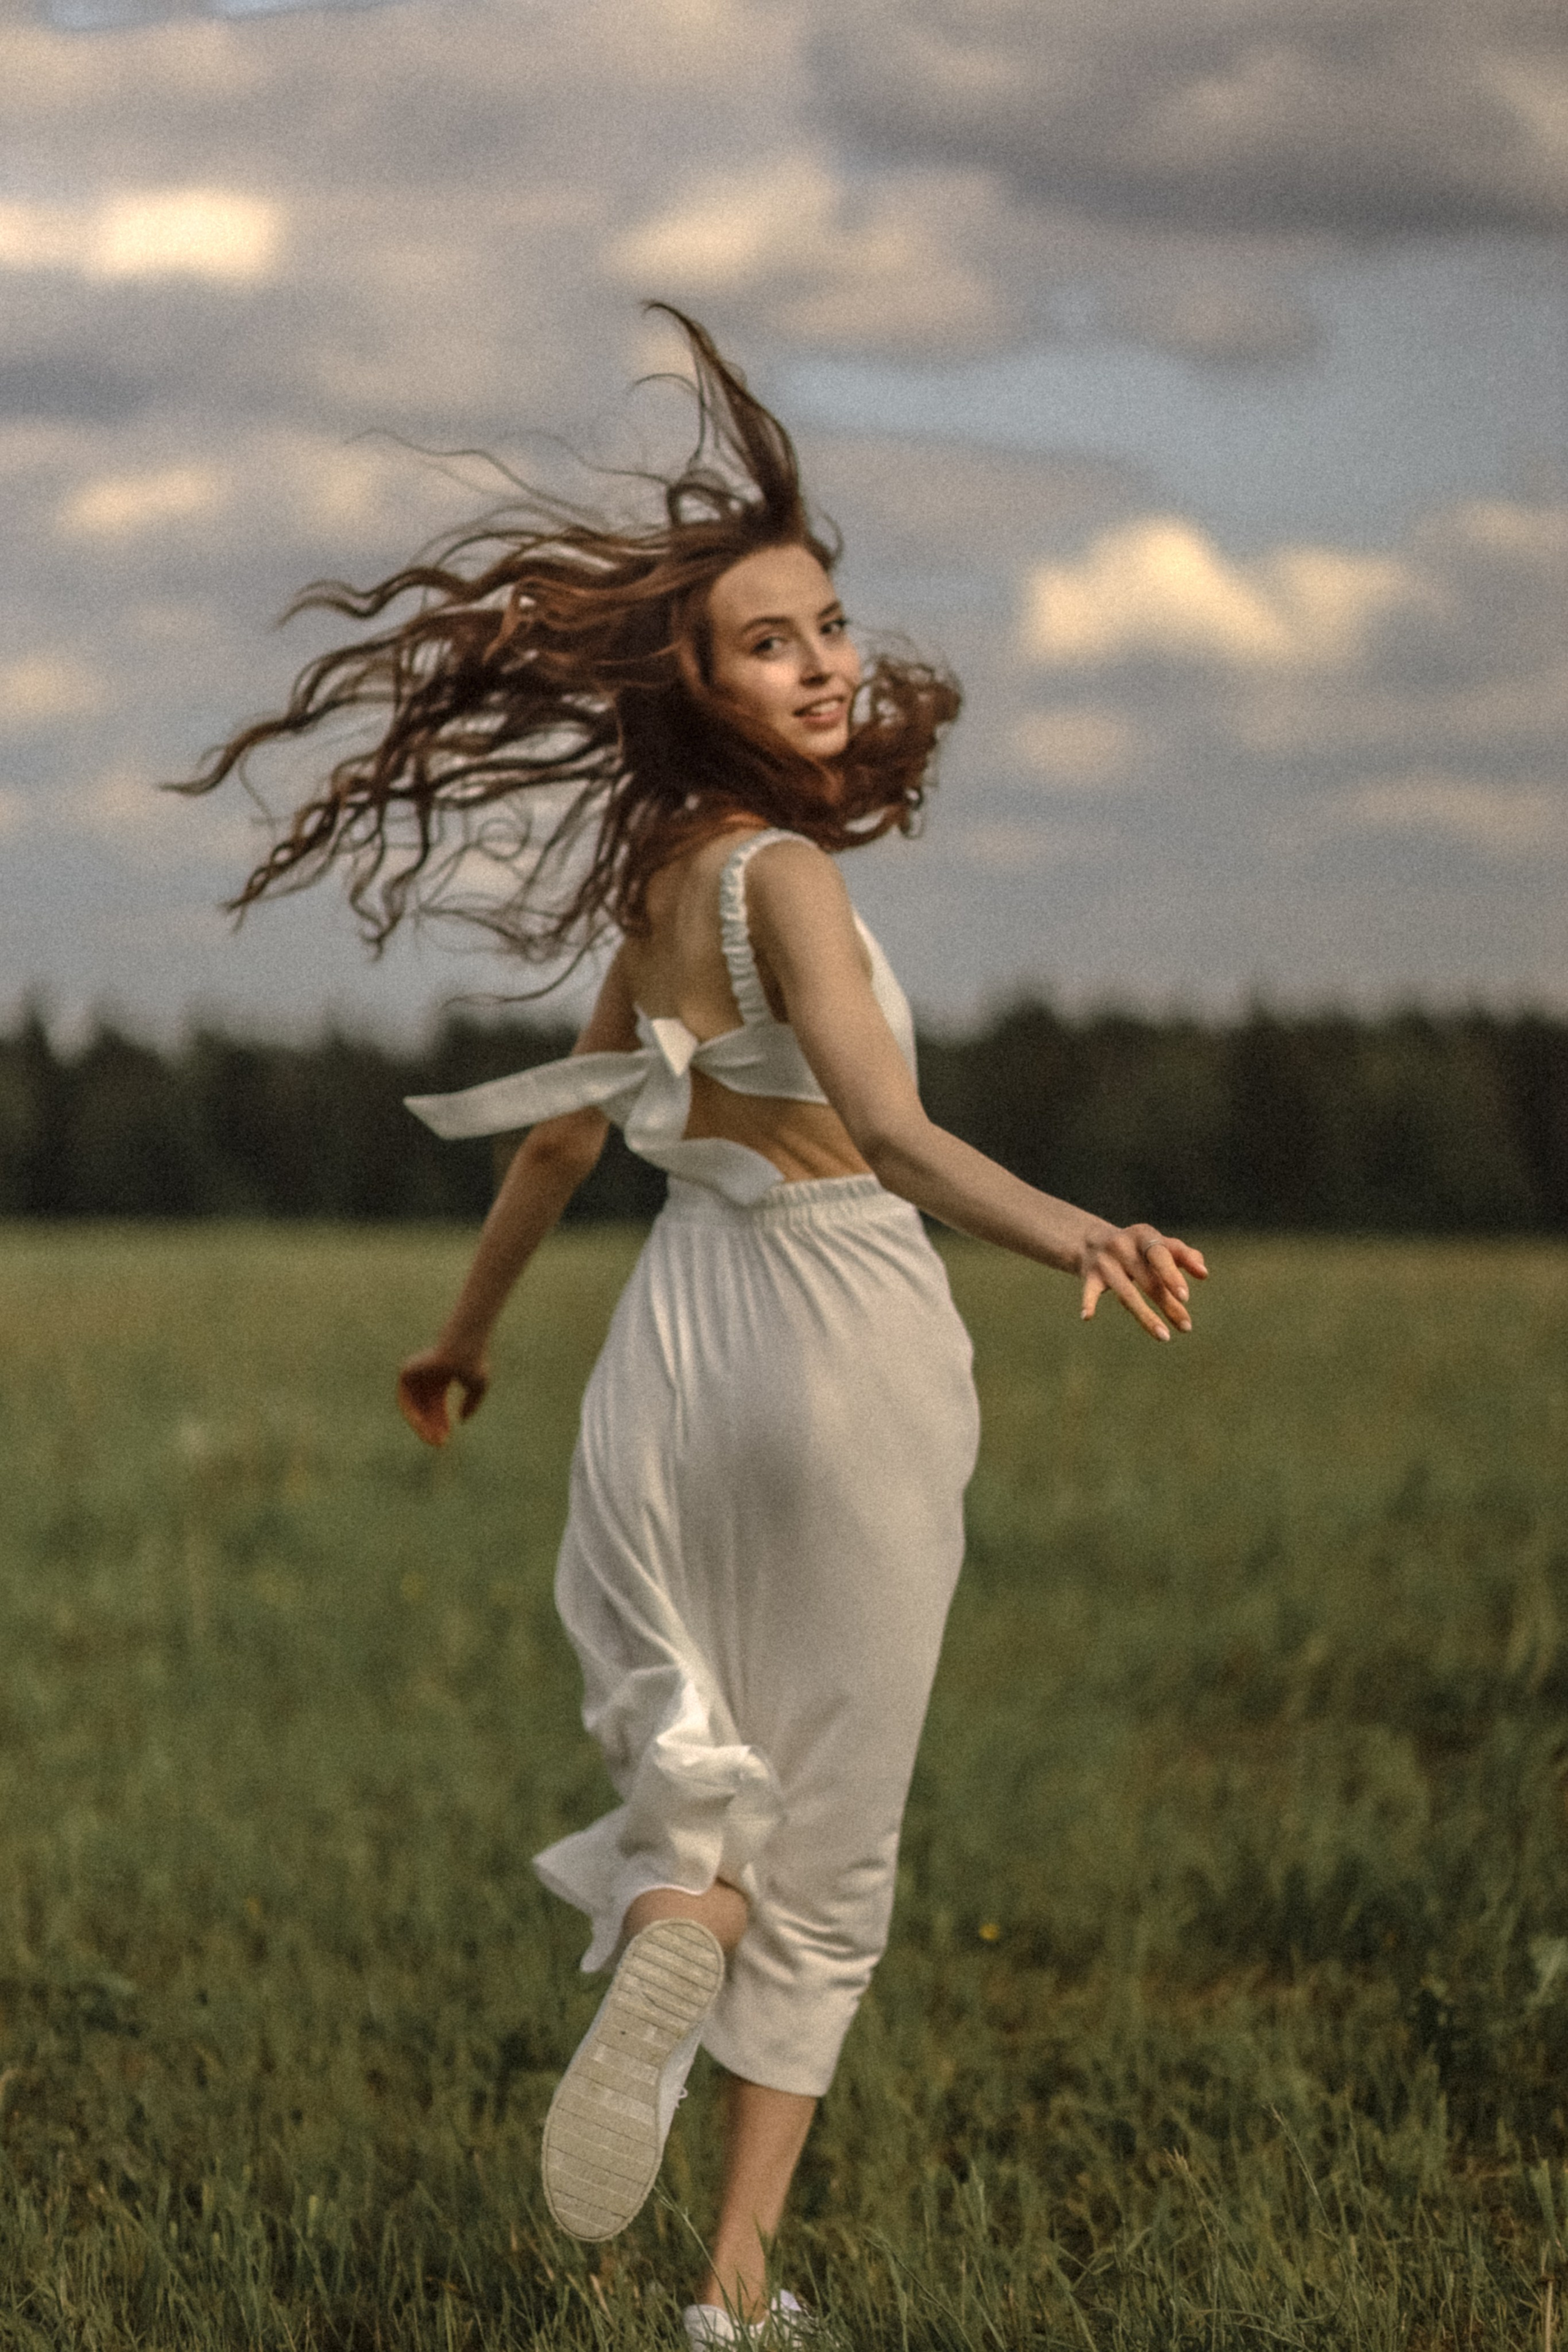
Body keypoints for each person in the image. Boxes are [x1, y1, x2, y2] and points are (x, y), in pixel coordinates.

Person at [184, 309, 1207, 2342]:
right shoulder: (793, 884)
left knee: (696, 1741)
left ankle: (669, 1907)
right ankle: (734, 2300)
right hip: (840, 1331)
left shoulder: (661, 883)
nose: (823, 662)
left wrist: (463, 1341)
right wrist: (1081, 1227)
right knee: (834, 1833)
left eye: (828, 624)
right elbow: (895, 1136)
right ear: (698, 676)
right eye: (773, 640)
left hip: (676, 1344)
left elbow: (563, 1154)